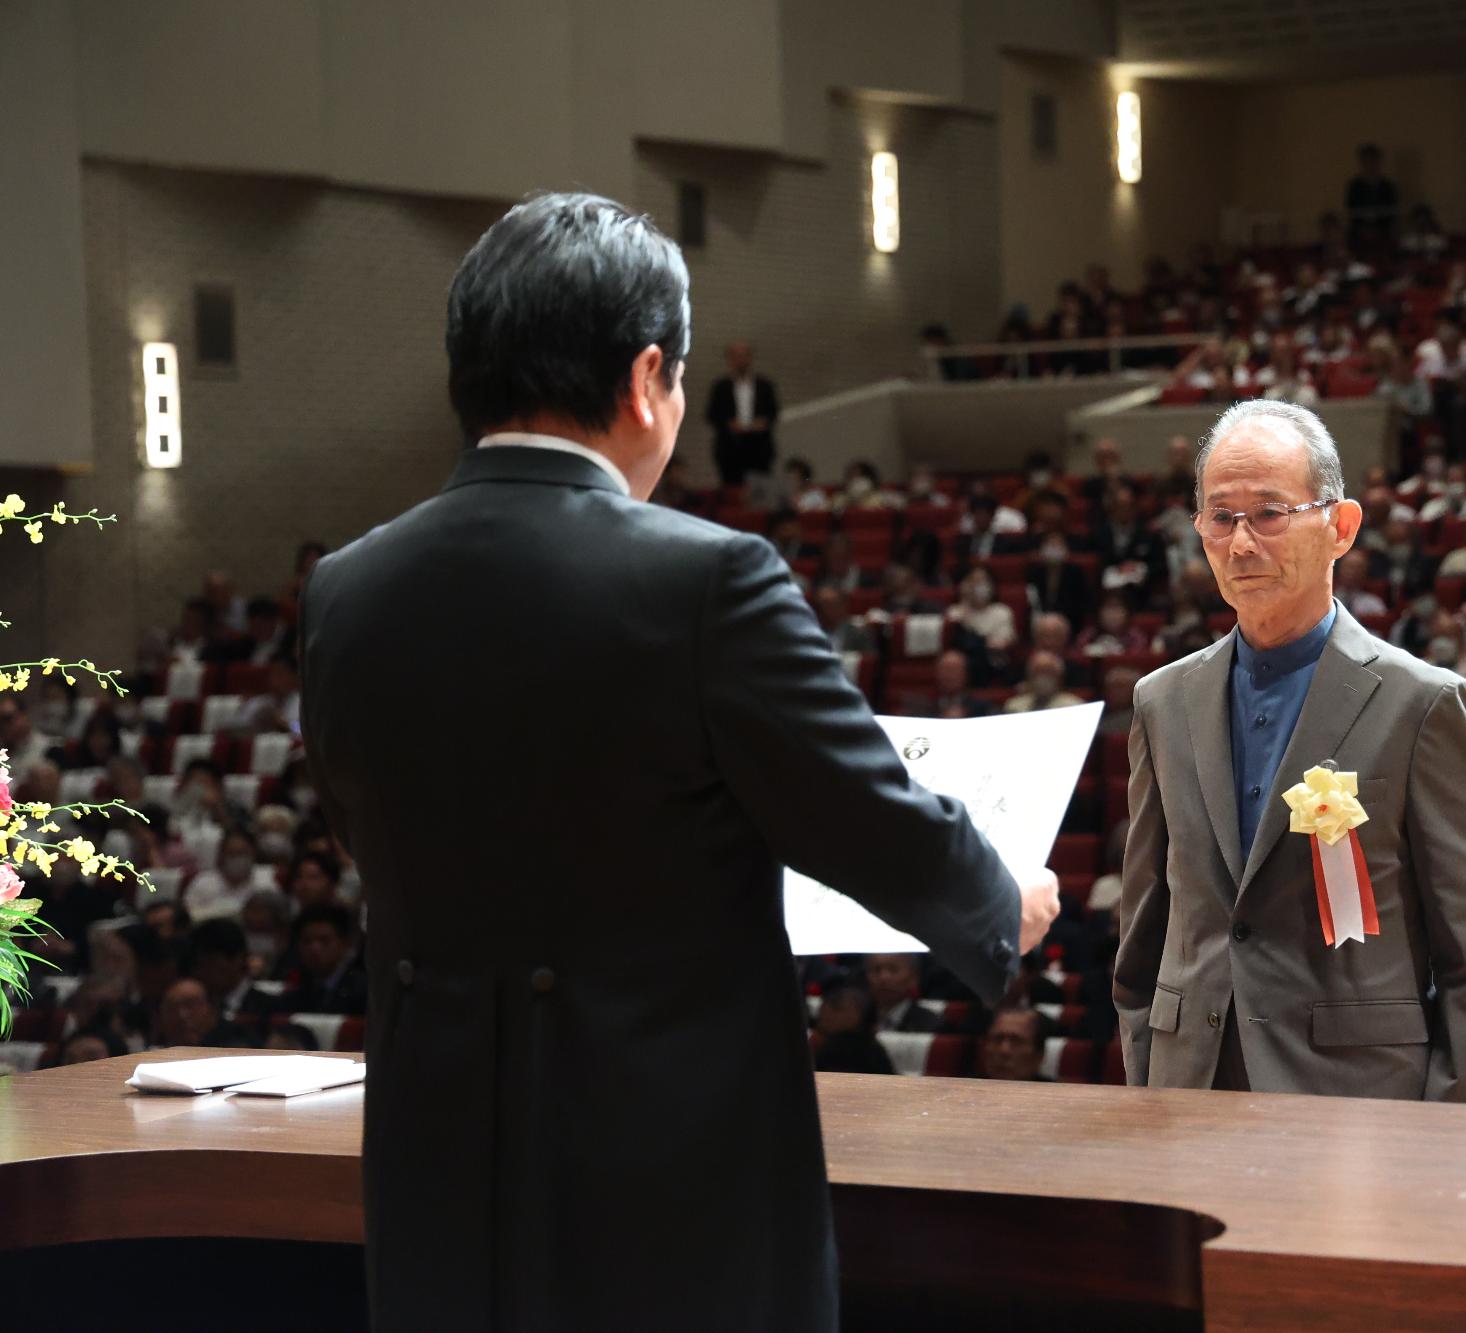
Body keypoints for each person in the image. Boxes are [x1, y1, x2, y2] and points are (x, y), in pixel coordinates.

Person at [297, 194, 1058, 1333]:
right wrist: (1001, 894)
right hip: (659, 1163)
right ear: (647, 376)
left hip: (436, 1155)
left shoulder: (345, 588)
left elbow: (372, 836)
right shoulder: (707, 580)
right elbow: (861, 810)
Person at [1115, 400, 1466, 1100]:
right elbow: (1145, 933)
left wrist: (1457, 1137)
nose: (1240, 544)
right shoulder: (1160, 700)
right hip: (1187, 1091)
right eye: (1220, 516)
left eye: (1269, 513)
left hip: (1354, 1098)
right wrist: (1149, 1074)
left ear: (1341, 526)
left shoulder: (1426, 705)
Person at [704, 341, 780, 488]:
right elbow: (711, 415)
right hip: (731, 448)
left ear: (750, 358)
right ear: (730, 360)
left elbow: (774, 412)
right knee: (732, 489)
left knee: (760, 489)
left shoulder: (765, 385)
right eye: (736, 356)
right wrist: (729, 424)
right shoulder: (721, 387)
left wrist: (763, 423)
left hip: (759, 448)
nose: (740, 360)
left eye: (744, 356)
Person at [276, 903, 368, 1015]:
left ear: (344, 944)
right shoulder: (293, 987)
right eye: (307, 941)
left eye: (324, 941)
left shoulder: (363, 991)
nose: (314, 949)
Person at [863, 952, 940, 1033]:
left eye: (893, 970)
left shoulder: (930, 1023)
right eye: (876, 970)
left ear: (913, 977)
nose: (883, 978)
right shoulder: (858, 1019)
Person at [978, 1006, 1052, 1081]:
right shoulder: (967, 1086)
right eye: (997, 1039)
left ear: (1039, 1056)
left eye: (1017, 1042)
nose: (1004, 1050)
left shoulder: (1055, 1091)